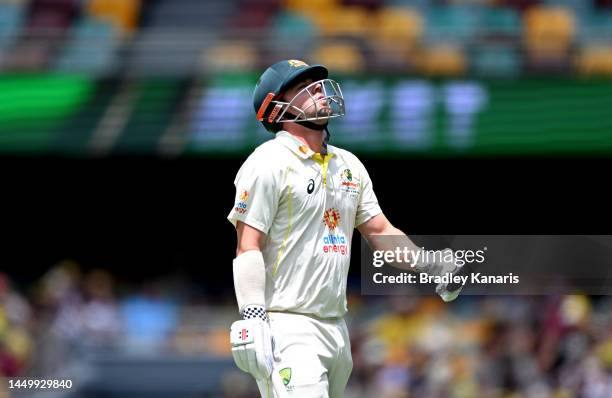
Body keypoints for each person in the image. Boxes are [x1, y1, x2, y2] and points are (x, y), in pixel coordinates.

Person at [227, 59, 462, 397]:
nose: (317, 92)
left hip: (337, 327)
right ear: (276, 107)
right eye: (301, 87)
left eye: (317, 84)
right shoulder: (268, 162)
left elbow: (380, 232)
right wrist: (253, 315)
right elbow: (248, 245)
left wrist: (430, 264)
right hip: (287, 324)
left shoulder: (348, 165)